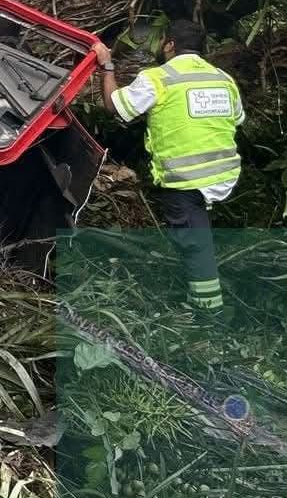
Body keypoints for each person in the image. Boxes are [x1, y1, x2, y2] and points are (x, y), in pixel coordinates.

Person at [90, 20, 243, 321]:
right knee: (195, 234)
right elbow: (236, 118)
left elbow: (116, 107)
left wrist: (106, 66)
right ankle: (202, 296)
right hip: (224, 174)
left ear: (170, 44)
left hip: (186, 178)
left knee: (194, 243)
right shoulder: (223, 78)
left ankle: (209, 314)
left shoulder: (160, 78)